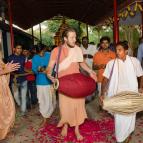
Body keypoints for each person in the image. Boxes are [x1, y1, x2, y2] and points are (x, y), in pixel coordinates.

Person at [46, 28, 97, 141]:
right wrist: (49, 73)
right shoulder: (57, 50)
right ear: (65, 38)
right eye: (72, 37)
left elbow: (82, 63)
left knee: (78, 106)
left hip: (77, 83)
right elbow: (50, 65)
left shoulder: (78, 49)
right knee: (64, 107)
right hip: (64, 83)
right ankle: (65, 125)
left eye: (75, 37)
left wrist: (91, 71)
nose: (75, 39)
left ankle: (77, 129)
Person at [101, 41, 143, 143]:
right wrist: (102, 93)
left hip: (131, 94)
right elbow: (105, 79)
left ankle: (127, 134)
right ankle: (121, 139)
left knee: (130, 116)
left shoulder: (134, 61)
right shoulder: (111, 63)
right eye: (116, 50)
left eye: (120, 50)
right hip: (117, 95)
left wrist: (141, 89)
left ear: (126, 51)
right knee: (119, 118)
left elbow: (141, 75)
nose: (117, 52)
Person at [0, 34, 20, 140]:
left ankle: (5, 130)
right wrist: (4, 70)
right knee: (2, 111)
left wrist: (6, 67)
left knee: (8, 108)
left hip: (2, 86)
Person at [32, 44, 54, 127]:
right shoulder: (35, 57)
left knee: (49, 100)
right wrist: (40, 69)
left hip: (49, 81)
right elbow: (34, 69)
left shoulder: (49, 55)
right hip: (40, 82)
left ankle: (48, 115)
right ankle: (44, 117)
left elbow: (54, 66)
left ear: (45, 49)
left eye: (42, 52)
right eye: (39, 53)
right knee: (41, 100)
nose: (41, 54)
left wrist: (48, 70)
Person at [8, 44, 27, 116]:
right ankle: (21, 105)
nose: (20, 50)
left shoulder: (23, 57)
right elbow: (8, 69)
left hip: (24, 79)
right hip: (14, 80)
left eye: (21, 48)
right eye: (18, 48)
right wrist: (13, 74)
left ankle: (23, 111)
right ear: (14, 49)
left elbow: (24, 68)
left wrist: (30, 71)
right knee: (16, 96)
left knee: (23, 97)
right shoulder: (10, 58)